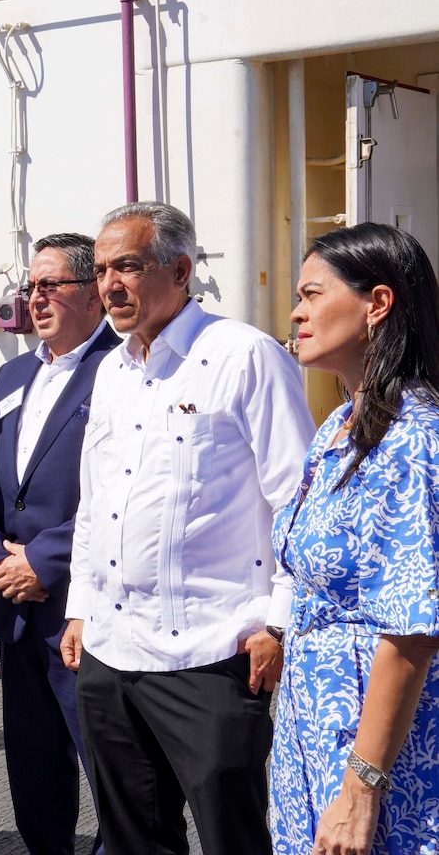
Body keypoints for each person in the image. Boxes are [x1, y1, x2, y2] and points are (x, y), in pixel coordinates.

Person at [60, 201, 315, 855]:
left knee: (233, 837)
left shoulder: (244, 357)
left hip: (212, 653)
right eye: (101, 269)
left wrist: (280, 623)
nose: (109, 284)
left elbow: (299, 501)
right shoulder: (112, 371)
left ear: (179, 270)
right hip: (112, 653)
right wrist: (82, 609)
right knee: (133, 839)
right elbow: (98, 503)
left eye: (128, 267)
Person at [273, 223, 439, 855]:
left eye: (312, 293)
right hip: (314, 732)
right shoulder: (340, 427)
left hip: (379, 756)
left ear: (378, 303)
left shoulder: (412, 439)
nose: (296, 312)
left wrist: (362, 787)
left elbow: (412, 630)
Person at [0, 233, 117, 855]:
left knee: (112, 775)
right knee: (32, 771)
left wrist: (46, 561)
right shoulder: (13, 372)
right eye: (31, 286)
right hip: (16, 610)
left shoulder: (123, 368)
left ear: (92, 294)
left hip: (87, 610)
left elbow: (126, 495)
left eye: (51, 285)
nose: (36, 297)